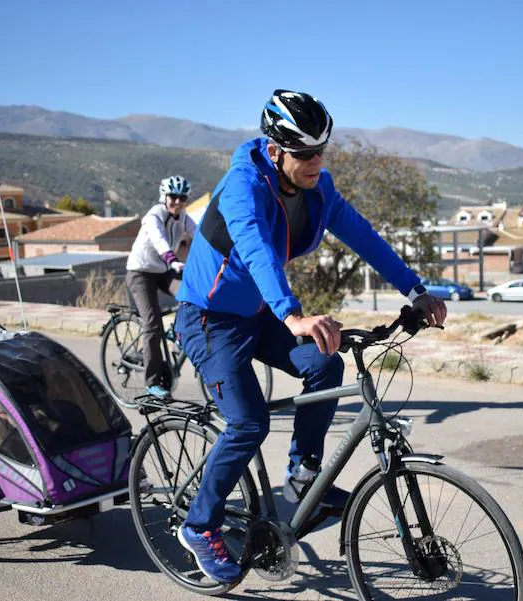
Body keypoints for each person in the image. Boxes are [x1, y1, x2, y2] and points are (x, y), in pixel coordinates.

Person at [173, 89, 447, 583]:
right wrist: (293, 315)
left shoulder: (319, 189)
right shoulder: (242, 186)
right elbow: (255, 248)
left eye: (322, 149)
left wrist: (415, 289)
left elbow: (362, 234)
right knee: (248, 422)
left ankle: (303, 477)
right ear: (275, 150)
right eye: (303, 153)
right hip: (209, 318)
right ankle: (199, 525)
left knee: (326, 363)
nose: (315, 161)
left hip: (259, 315)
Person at [125, 175, 197, 398]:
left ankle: (177, 332)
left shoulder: (184, 218)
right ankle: (152, 382)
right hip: (140, 272)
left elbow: (202, 235)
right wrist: (171, 259)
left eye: (181, 198)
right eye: (173, 197)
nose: (177, 202)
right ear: (164, 197)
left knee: (190, 295)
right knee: (152, 324)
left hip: (163, 270)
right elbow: (158, 240)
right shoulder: (154, 215)